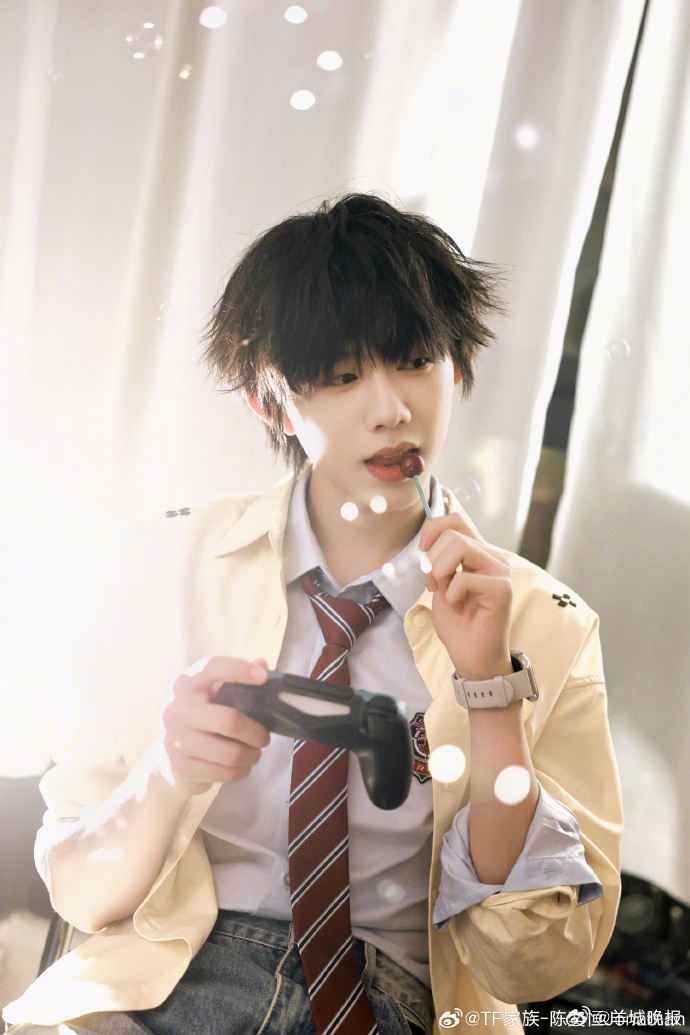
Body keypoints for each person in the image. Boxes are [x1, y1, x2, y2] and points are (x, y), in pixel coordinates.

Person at [4, 194, 623, 1035]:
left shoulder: (550, 624)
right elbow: (80, 888)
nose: (390, 408)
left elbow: (538, 962)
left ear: (460, 363)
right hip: (168, 987)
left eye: (414, 359)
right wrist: (169, 770)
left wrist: (491, 694)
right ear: (269, 400)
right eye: (340, 375)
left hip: (393, 1003)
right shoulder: (161, 565)